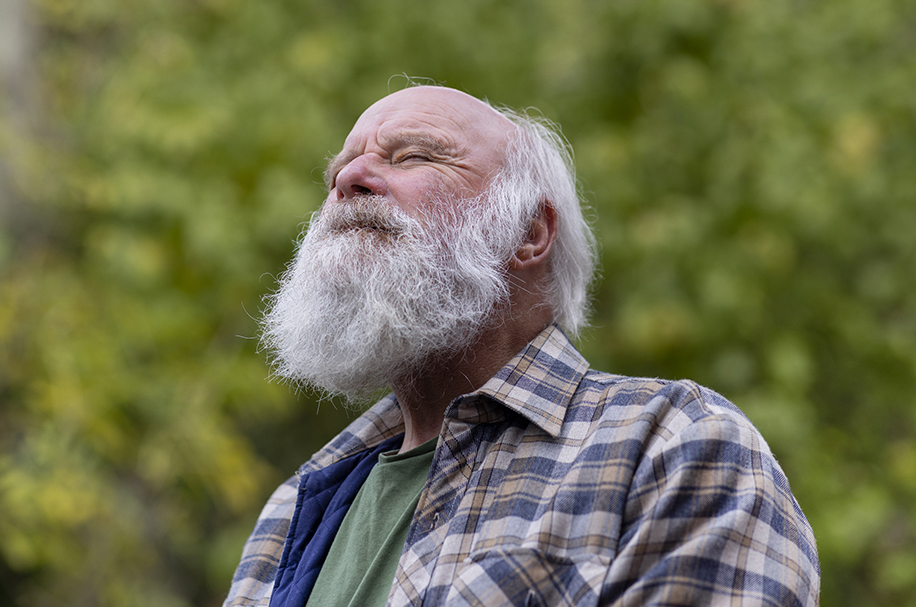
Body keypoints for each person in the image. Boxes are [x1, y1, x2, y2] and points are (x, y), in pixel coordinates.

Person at [225, 85, 820, 607]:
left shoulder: (673, 444)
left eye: (413, 156)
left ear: (529, 231)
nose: (348, 180)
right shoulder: (293, 511)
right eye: (339, 170)